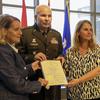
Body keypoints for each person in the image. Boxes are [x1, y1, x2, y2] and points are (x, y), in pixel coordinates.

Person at [16, 5, 64, 100]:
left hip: (53, 83)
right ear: (35, 17)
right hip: (33, 81)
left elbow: (60, 53)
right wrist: (32, 57)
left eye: (49, 16)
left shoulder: (57, 34)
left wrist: (61, 57)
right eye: (43, 15)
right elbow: (16, 57)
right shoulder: (25, 33)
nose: (47, 19)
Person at [0, 14, 48, 100]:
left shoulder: (7, 48)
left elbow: (14, 72)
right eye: (16, 30)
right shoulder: (2, 51)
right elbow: (15, 84)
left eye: (20, 29)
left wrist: (31, 67)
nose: (21, 33)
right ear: (4, 31)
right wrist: (38, 84)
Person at [63, 20, 100, 100]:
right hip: (74, 95)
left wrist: (78, 81)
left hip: (93, 94)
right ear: (78, 32)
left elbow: (98, 71)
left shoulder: (97, 49)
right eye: (86, 29)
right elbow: (66, 71)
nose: (89, 32)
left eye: (91, 30)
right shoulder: (70, 51)